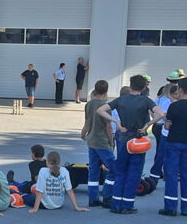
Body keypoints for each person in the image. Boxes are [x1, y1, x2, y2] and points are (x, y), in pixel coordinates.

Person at [95, 75, 164, 214]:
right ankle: (127, 204)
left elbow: (100, 110)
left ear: (130, 85)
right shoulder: (146, 101)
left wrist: (116, 122)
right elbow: (161, 114)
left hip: (123, 137)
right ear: (144, 87)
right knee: (134, 173)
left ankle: (116, 204)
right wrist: (147, 125)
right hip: (138, 139)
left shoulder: (121, 100)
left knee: (120, 171)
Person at [160, 77, 187, 216]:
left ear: (181, 89)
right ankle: (186, 207)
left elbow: (167, 125)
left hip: (174, 141)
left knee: (171, 174)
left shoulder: (174, 106)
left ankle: (171, 206)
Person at [82, 80, 115, 208]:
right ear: (106, 91)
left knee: (94, 170)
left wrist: (83, 134)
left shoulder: (89, 104)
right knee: (113, 169)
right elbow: (109, 127)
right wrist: (111, 143)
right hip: (102, 142)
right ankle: (107, 196)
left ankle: (93, 198)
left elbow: (87, 122)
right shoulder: (106, 107)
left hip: (91, 141)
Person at [25, 151, 89, 213]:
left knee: (26, 197)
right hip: (58, 204)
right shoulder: (65, 171)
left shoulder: (43, 171)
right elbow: (70, 190)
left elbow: (39, 191)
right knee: (31, 193)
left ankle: (18, 193)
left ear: (47, 162)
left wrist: (35, 208)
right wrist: (76, 207)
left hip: (44, 204)